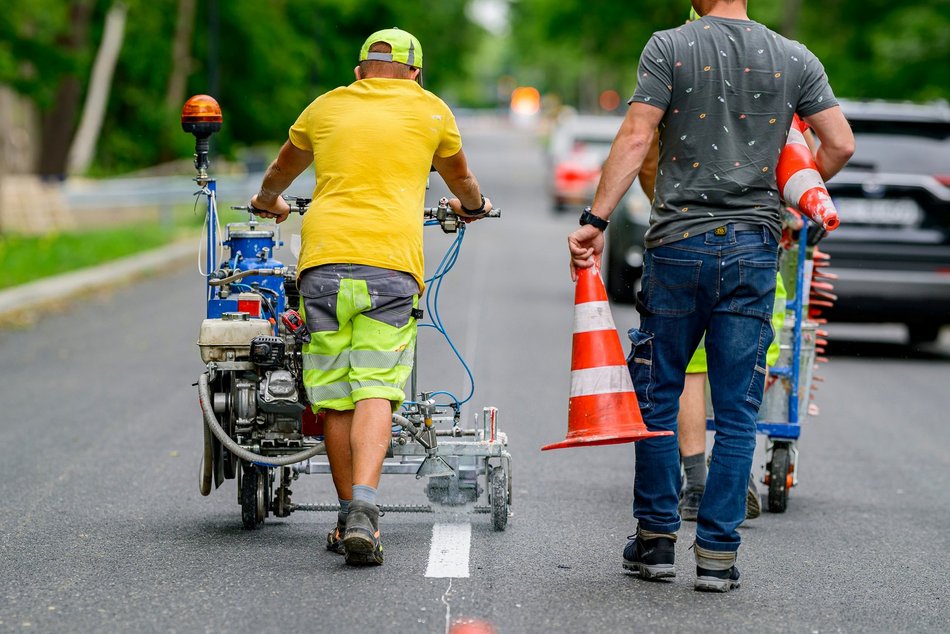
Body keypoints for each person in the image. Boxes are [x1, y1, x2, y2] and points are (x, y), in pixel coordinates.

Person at [568, 0, 853, 592]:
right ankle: (718, 555)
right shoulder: (794, 57)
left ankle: (655, 541)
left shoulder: (669, 46)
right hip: (753, 249)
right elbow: (839, 144)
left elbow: (637, 135)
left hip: (678, 245)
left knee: (658, 395)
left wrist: (596, 220)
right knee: (739, 407)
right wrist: (788, 199)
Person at [249, 28, 492, 566]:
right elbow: (462, 180)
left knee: (335, 394)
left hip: (323, 265)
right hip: (389, 267)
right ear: (416, 72)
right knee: (376, 386)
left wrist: (269, 201)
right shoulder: (432, 111)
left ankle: (348, 517)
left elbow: (281, 170)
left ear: (360, 70)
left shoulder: (325, 107)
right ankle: (365, 509)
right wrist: (473, 206)